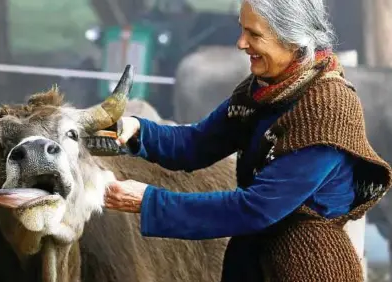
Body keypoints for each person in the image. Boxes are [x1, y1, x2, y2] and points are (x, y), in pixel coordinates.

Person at [103, 0, 392, 281]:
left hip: (306, 270)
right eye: (242, 30)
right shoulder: (260, 91)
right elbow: (196, 143)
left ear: (292, 39)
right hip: (250, 263)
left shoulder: (328, 108)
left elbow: (256, 208)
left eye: (253, 34)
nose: (241, 44)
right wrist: (138, 130)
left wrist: (150, 201)